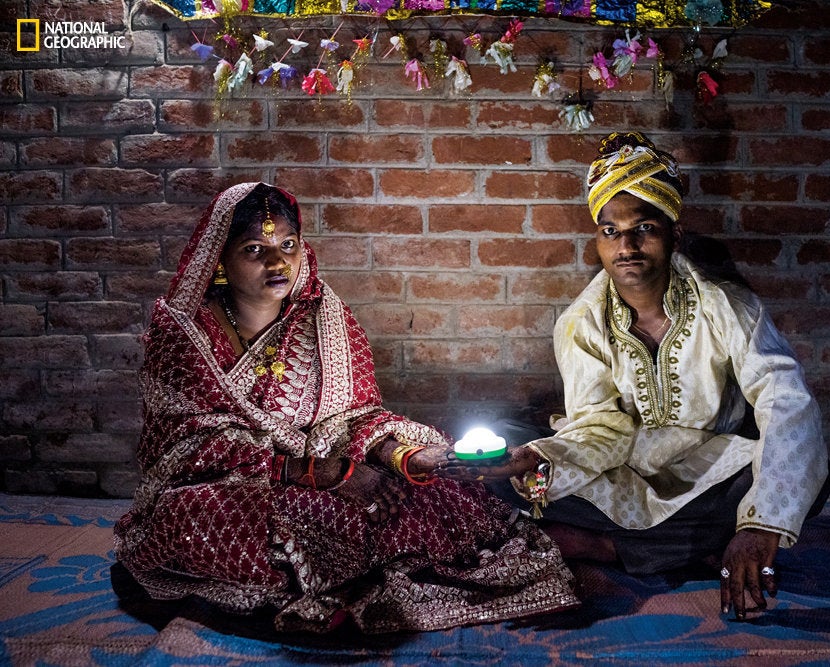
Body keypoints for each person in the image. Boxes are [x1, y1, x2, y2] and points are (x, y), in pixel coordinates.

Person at [113, 182, 578, 634]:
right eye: (255, 249)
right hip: (224, 485)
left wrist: (407, 457)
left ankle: (327, 581)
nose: (279, 262)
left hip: (333, 467)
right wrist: (322, 474)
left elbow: (354, 418)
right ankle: (316, 583)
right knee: (209, 515)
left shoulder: (324, 317)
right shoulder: (184, 333)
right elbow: (187, 446)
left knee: (427, 485)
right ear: (219, 259)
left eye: (289, 244)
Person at [443, 132, 830, 621]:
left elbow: (786, 401)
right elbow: (599, 429)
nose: (625, 245)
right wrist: (536, 457)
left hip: (709, 471)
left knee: (805, 472)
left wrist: (758, 526)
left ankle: (609, 547)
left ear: (675, 235)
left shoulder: (729, 308)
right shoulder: (581, 323)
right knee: (506, 454)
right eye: (610, 231)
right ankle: (672, 550)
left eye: (643, 227)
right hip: (620, 470)